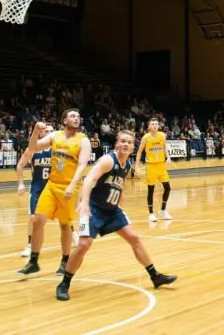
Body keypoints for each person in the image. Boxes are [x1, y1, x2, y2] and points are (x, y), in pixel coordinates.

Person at [56, 130, 177, 300]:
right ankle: (64, 284)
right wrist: (84, 202)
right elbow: (89, 179)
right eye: (123, 141)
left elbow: (116, 183)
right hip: (93, 208)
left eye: (129, 142)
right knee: (83, 245)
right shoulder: (108, 160)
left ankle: (155, 276)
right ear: (117, 144)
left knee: (134, 238)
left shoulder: (126, 164)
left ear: (133, 147)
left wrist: (121, 196)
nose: (126, 144)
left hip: (112, 210)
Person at [18, 109, 91, 276]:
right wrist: (35, 131)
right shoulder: (55, 136)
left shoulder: (83, 140)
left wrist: (72, 185)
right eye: (72, 116)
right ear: (64, 120)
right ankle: (34, 262)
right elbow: (33, 147)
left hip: (68, 187)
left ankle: (65, 261)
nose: (76, 118)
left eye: (78, 116)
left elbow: (82, 165)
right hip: (51, 185)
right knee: (37, 220)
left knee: (65, 225)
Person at [16, 124, 79, 257]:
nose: (50, 132)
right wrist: (21, 184)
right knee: (33, 218)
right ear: (40, 133)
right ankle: (30, 245)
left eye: (51, 131)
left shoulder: (59, 149)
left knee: (64, 216)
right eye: (46, 131)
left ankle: (73, 234)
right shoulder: (33, 149)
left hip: (55, 188)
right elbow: (20, 165)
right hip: (37, 189)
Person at [134, 118, 173, 222]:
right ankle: (151, 214)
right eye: (152, 124)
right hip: (151, 166)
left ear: (158, 126)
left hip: (161, 165)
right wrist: (136, 166)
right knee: (151, 190)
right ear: (149, 126)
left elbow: (164, 148)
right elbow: (139, 152)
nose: (155, 126)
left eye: (156, 124)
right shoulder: (145, 137)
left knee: (168, 188)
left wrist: (168, 157)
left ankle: (163, 210)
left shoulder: (162, 136)